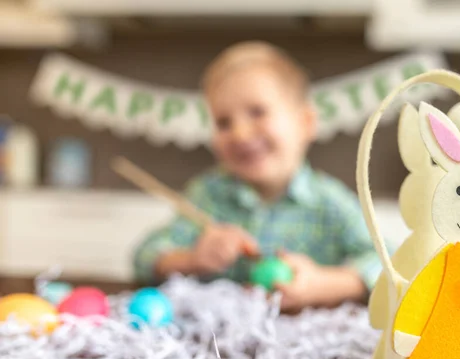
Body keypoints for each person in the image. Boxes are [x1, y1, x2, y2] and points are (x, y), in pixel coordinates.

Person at [133, 41, 382, 312]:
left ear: (305, 123)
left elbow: (389, 261)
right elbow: (144, 255)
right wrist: (192, 258)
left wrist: (325, 284)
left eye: (257, 112)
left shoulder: (330, 202)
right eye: (223, 122)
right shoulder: (208, 195)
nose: (240, 133)